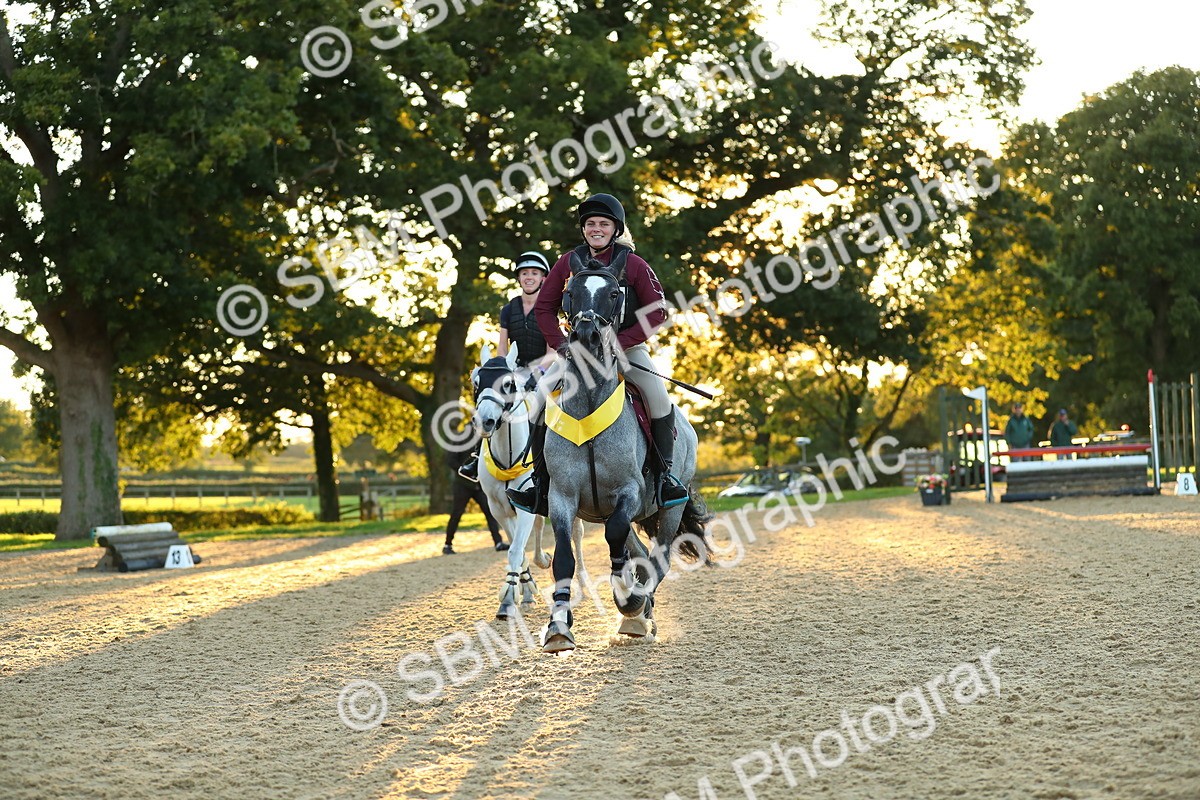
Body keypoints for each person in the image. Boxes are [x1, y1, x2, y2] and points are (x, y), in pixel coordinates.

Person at [507, 192, 689, 515]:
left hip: (626, 350)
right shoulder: (568, 262)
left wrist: (622, 342)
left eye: (603, 224)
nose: (596, 229)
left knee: (658, 396)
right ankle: (540, 483)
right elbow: (545, 309)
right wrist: (561, 344)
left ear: (615, 229)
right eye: (590, 224)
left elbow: (658, 311)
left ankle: (665, 477)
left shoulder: (634, 264)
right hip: (577, 353)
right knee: (537, 398)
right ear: (584, 229)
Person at [458, 250, 551, 482]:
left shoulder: (548, 309)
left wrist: (535, 376)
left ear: (543, 278)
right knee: (490, 401)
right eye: (524, 273)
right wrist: (501, 372)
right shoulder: (508, 310)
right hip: (514, 369)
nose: (529, 277)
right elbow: (502, 348)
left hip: (545, 369)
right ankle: (478, 455)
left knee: (544, 409)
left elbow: (552, 353)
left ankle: (549, 461)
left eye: (534, 273)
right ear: (519, 278)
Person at [443, 449, 508, 554]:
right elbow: (451, 460)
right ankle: (447, 545)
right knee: (456, 513)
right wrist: (464, 471)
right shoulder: (460, 440)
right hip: (462, 485)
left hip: (478, 485)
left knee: (490, 512)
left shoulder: (481, 439)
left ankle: (498, 542)